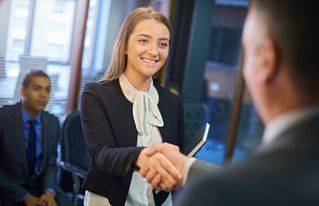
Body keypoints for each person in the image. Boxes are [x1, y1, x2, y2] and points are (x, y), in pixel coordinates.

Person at [141, 1, 319, 205]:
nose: (153, 52)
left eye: (247, 51)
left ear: (266, 60)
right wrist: (187, 167)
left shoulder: (213, 195)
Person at [80, 7, 185, 206]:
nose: (154, 51)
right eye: (143, 41)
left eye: (162, 44)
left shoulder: (173, 102)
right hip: (108, 200)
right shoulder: (95, 94)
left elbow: (177, 156)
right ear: (124, 46)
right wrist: (140, 156)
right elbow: (102, 155)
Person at [0, 70, 72, 206]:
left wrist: (49, 192)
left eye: (48, 90)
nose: (43, 95)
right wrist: (24, 196)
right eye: (37, 88)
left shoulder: (52, 122)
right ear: (22, 91)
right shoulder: (3, 117)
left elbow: (51, 165)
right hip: (8, 189)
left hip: (40, 188)